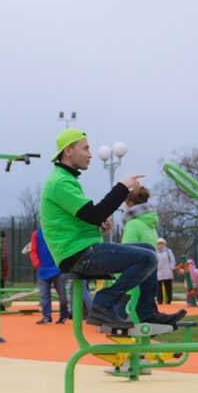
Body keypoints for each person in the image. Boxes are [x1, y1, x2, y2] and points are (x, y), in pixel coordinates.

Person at [40, 129, 184, 328]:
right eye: (86, 148)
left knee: (150, 250)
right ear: (68, 151)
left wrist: (98, 223)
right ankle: (103, 304)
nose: (90, 154)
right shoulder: (60, 182)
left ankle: (147, 312)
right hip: (78, 254)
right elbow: (94, 213)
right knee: (147, 258)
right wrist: (122, 187)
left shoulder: (66, 179)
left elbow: (86, 217)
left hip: (82, 250)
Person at [28, 228, 69, 324]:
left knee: (45, 295)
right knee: (61, 294)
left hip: (45, 268)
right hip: (56, 268)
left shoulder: (37, 233)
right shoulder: (57, 230)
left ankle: (47, 317)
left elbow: (33, 250)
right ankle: (63, 316)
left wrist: (37, 264)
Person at [155, 238, 177, 305]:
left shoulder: (168, 251)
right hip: (158, 273)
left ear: (164, 244)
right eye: (159, 244)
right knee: (158, 288)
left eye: (162, 243)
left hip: (167, 272)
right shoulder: (155, 251)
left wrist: (172, 267)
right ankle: (160, 301)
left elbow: (172, 259)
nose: (160, 245)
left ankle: (169, 300)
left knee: (168, 287)